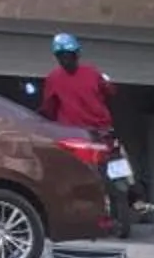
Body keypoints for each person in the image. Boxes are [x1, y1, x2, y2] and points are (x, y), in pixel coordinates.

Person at [39, 32, 132, 234]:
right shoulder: (92, 73)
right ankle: (132, 201)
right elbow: (110, 92)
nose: (66, 60)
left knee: (73, 177)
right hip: (102, 133)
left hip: (77, 137)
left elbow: (48, 108)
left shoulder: (54, 78)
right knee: (116, 169)